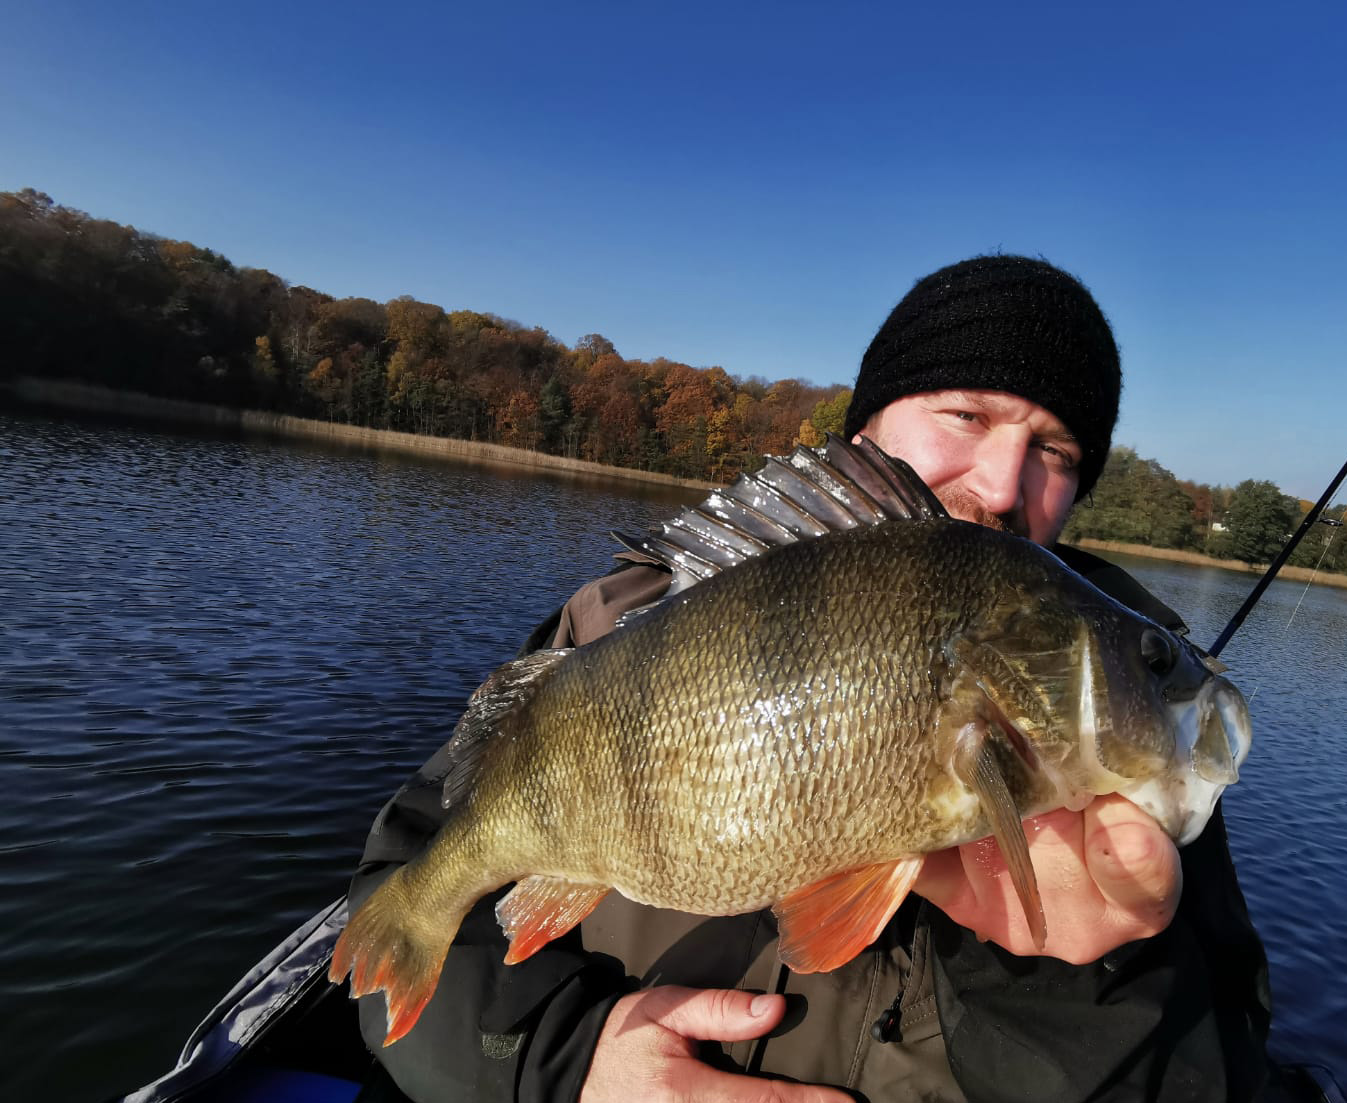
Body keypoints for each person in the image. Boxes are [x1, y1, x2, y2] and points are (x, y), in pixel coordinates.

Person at [347, 255, 1274, 1103]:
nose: (1001, 483)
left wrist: (1087, 977)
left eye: (1057, 451)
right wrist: (562, 1060)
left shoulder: (1128, 755)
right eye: (967, 414)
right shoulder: (609, 629)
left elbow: (1212, 1057)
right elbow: (411, 872)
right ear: (867, 425)